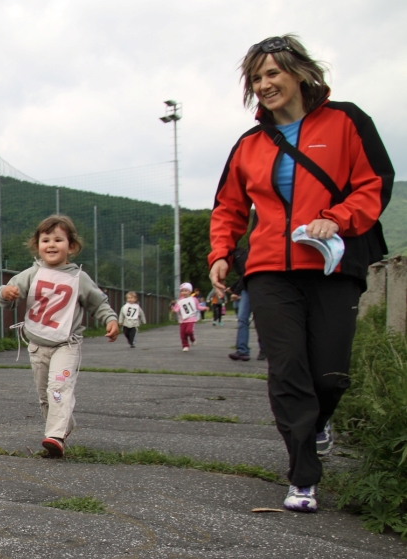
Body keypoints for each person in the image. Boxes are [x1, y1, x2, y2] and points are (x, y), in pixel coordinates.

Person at [209, 35, 394, 513]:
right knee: (287, 369)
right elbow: (229, 205)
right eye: (256, 77)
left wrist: (338, 216)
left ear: (298, 72)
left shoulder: (347, 121)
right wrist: (221, 253)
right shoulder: (249, 144)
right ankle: (303, 474)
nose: (265, 84)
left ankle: (317, 423)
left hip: (333, 263)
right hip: (270, 267)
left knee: (330, 376)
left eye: (272, 73)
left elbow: (374, 182)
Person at [0, 215, 118, 459]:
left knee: (59, 389)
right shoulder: (31, 274)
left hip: (66, 345)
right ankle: (62, 426)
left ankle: (55, 436)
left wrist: (111, 320)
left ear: (71, 246)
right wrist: (6, 293)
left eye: (58, 240)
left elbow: (98, 302)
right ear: (37, 245)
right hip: (36, 345)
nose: (51, 245)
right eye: (45, 240)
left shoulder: (79, 279)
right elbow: (5, 296)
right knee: (46, 396)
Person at [172, 283, 206, 352]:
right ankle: (185, 345)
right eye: (182, 291)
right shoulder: (180, 301)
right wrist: (174, 310)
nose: (184, 292)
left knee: (189, 331)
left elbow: (198, 307)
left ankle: (192, 339)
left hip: (191, 318)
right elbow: (176, 309)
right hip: (183, 320)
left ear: (190, 291)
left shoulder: (194, 299)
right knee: (182, 334)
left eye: (186, 291)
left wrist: (204, 308)